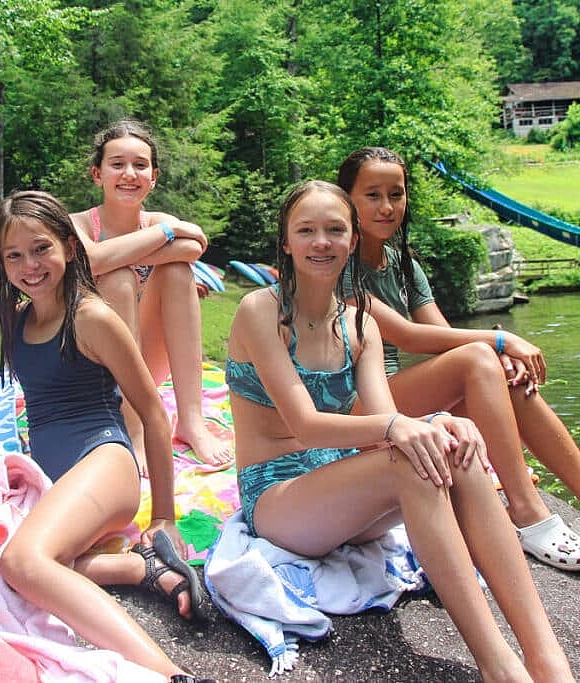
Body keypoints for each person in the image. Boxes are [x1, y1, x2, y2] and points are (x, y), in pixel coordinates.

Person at [226, 179, 572, 681]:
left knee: (453, 448)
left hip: (338, 487)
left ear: (351, 238)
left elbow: (388, 425)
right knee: (412, 459)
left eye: (334, 230)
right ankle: (500, 668)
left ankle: (547, 659)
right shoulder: (262, 310)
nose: (321, 242)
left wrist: (439, 423)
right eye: (307, 230)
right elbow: (306, 424)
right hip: (277, 493)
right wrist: (403, 426)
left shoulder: (360, 322)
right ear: (286, 241)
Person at [0, 190, 212, 682]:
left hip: (103, 462)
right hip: (53, 475)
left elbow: (154, 415)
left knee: (23, 562)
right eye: (14, 255)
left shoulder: (90, 317)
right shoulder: (16, 319)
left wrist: (164, 516)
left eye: (41, 248)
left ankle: (168, 672)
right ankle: (138, 569)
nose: (30, 265)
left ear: (70, 247)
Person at [337, 146, 580, 572]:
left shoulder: (403, 264)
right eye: (372, 195)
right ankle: (525, 511)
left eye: (396, 193)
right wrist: (501, 341)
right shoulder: (338, 265)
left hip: (398, 402)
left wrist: (496, 358)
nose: (387, 206)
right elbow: (409, 336)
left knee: (506, 378)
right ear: (348, 200)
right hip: (358, 412)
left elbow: (445, 337)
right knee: (480, 359)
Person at [70, 119, 232, 473]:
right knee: (117, 278)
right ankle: (136, 427)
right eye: (117, 164)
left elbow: (193, 247)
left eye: (140, 165)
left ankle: (191, 420)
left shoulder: (153, 220)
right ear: (97, 174)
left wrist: (123, 252)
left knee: (176, 271)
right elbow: (91, 259)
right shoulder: (78, 224)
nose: (129, 173)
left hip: (144, 363)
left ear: (153, 177)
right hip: (92, 367)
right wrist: (169, 231)